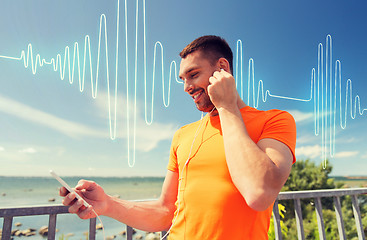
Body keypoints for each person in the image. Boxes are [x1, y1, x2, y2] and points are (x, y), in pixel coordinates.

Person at [60, 35, 296, 239]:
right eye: (182, 79)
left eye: (193, 74)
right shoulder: (184, 136)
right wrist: (108, 204)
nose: (186, 87)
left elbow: (259, 194)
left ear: (222, 69)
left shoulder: (275, 120)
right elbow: (165, 211)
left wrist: (226, 108)